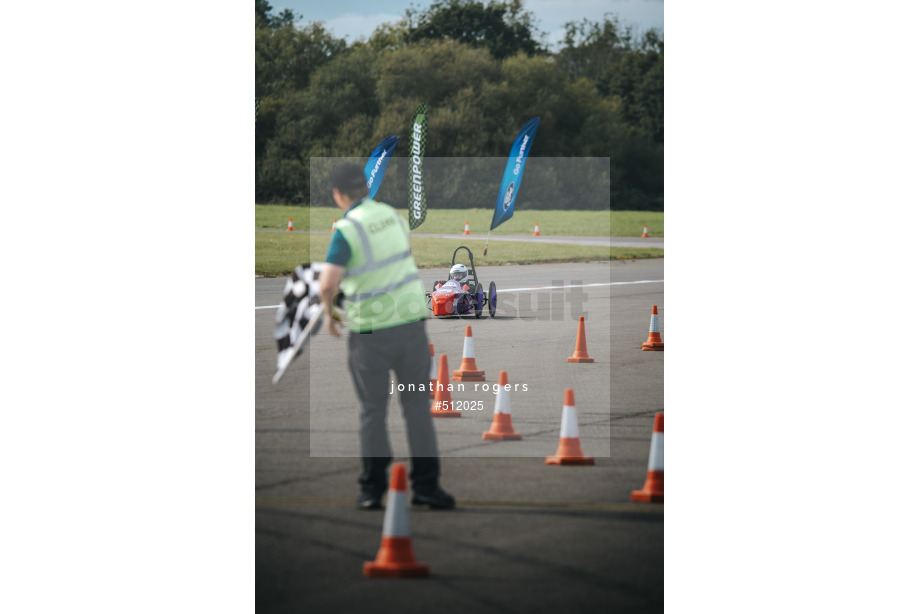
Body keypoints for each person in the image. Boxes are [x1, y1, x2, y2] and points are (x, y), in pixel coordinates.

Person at [318, 163, 455, 510]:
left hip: (371, 334)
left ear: (338, 195)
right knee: (417, 410)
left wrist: (330, 314)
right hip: (411, 324)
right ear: (366, 187)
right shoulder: (393, 216)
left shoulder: (347, 229)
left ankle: (373, 489)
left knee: (373, 411)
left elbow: (328, 283)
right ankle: (426, 485)